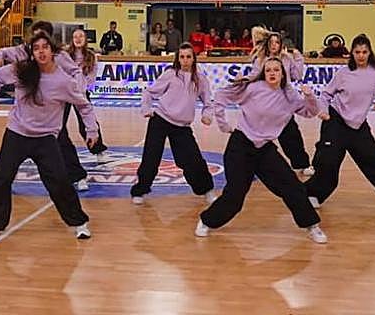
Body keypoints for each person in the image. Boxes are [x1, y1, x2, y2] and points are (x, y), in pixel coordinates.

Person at [197, 57, 328, 244]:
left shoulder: (290, 96)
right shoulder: (252, 88)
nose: (272, 73)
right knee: (235, 195)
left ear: (283, 73)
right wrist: (223, 123)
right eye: (268, 70)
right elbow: (221, 97)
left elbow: (310, 112)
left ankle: (312, 226)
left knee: (293, 186)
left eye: (276, 70)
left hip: (264, 149)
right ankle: (206, 221)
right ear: (263, 73)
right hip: (241, 146)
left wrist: (309, 96)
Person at [0, 33, 97, 240]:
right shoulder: (22, 70)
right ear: (32, 53)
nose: (41, 51)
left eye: (45, 47)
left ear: (53, 51)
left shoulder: (63, 81)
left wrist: (92, 130)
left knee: (59, 181)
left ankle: (79, 222)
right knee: (1, 177)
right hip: (17, 133)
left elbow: (83, 105)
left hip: (45, 139)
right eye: (36, 48)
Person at [305, 35, 375, 210]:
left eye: (364, 52)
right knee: (328, 161)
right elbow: (326, 94)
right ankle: (313, 194)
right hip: (335, 120)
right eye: (357, 52)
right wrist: (322, 111)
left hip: (358, 124)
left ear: (370, 52)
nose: (361, 55)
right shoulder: (343, 73)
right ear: (352, 53)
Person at [0, 20, 93, 191]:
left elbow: (75, 72)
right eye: (34, 35)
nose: (38, 45)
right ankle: (1, 179)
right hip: (27, 110)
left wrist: (78, 89)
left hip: (53, 104)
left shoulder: (59, 55)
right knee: (12, 148)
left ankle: (77, 176)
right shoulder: (22, 51)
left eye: (42, 37)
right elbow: (0, 54)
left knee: (61, 138)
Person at [131, 43, 217, 205]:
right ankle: (140, 190)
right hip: (160, 120)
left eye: (188, 57)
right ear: (178, 58)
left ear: (193, 59)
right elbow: (149, 92)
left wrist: (207, 116)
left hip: (182, 127)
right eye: (182, 57)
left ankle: (207, 190)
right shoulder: (170, 74)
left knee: (194, 159)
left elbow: (208, 102)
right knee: (151, 158)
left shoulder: (200, 79)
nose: (185, 60)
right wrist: (146, 108)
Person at [249, 27, 311, 175]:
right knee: (257, 136)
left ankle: (301, 164)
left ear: (281, 44)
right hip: (265, 103)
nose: (274, 45)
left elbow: (297, 75)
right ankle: (250, 164)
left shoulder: (287, 59)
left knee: (291, 135)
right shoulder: (260, 60)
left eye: (277, 42)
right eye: (272, 42)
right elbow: (254, 77)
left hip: (284, 103)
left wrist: (298, 58)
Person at [65, 27, 107, 156]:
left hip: (81, 94)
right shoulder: (65, 55)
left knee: (88, 122)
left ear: (85, 39)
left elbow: (92, 75)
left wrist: (83, 86)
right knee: (58, 123)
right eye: (75, 37)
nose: (78, 39)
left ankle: (98, 149)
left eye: (80, 36)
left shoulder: (91, 55)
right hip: (65, 93)